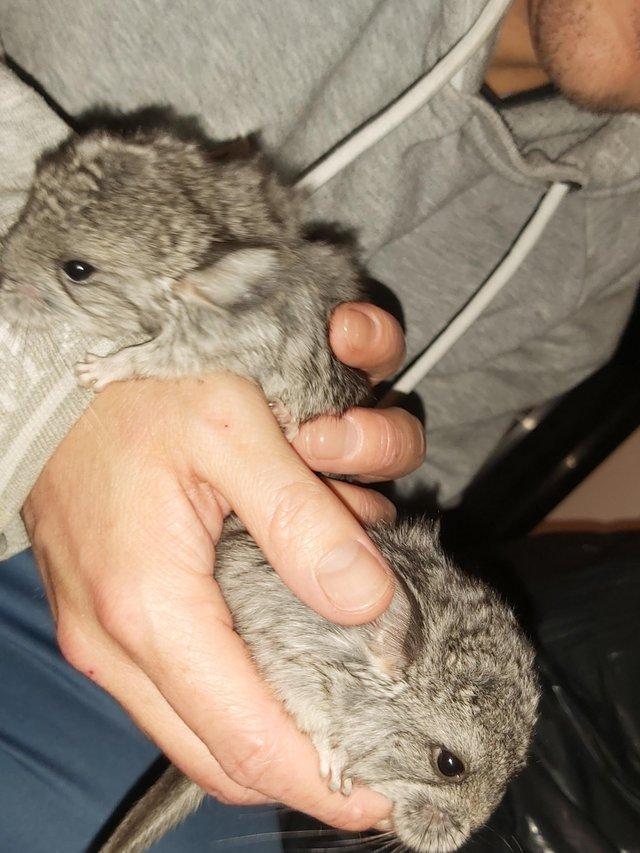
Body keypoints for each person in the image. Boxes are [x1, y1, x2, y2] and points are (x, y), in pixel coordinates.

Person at [1, 0, 639, 849]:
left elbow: (402, 502)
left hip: (175, 597)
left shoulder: (608, 266)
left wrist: (348, 471)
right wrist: (58, 399)